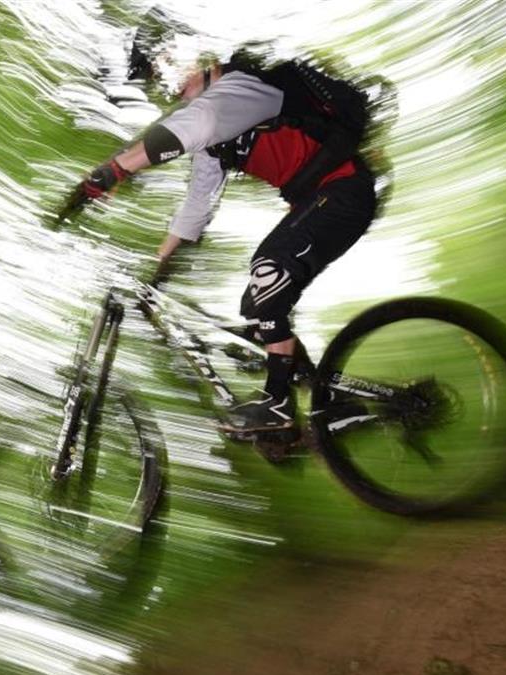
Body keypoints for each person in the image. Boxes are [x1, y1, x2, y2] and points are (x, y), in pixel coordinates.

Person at [72, 51, 379, 437]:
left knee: (269, 269)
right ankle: (328, 406)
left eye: (171, 72)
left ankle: (278, 406)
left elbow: (196, 123)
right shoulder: (214, 131)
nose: (170, 86)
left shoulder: (242, 89)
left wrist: (118, 168)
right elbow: (198, 201)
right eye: (159, 80)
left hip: (344, 191)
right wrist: (159, 270)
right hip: (320, 199)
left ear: (204, 62)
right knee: (255, 313)